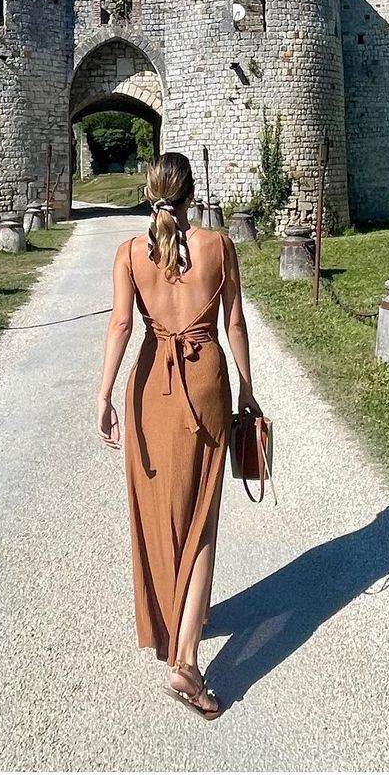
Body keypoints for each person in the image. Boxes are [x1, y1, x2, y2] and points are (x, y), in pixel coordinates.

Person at [95, 152, 260, 720]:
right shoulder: (218, 246)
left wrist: (104, 395)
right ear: (192, 195)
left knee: (159, 511)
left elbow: (121, 324)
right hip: (205, 380)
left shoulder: (129, 253)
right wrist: (246, 389)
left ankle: (174, 622)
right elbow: (234, 322)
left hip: (149, 389)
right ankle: (186, 661)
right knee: (201, 514)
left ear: (149, 194)